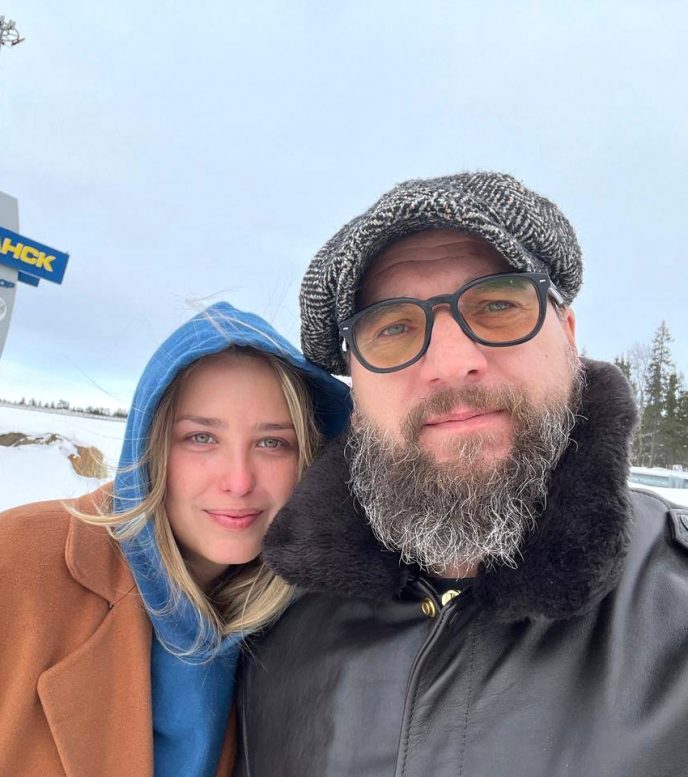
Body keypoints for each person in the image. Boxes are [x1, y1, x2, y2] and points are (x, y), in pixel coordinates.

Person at [234, 172, 688, 776]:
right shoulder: (262, 617)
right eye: (393, 328)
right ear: (356, 387)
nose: (450, 364)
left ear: (569, 338)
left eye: (498, 305)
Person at [0, 302, 349, 777]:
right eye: (201, 438)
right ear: (151, 446)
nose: (239, 481)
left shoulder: (305, 619)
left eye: (272, 443)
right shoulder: (19, 562)